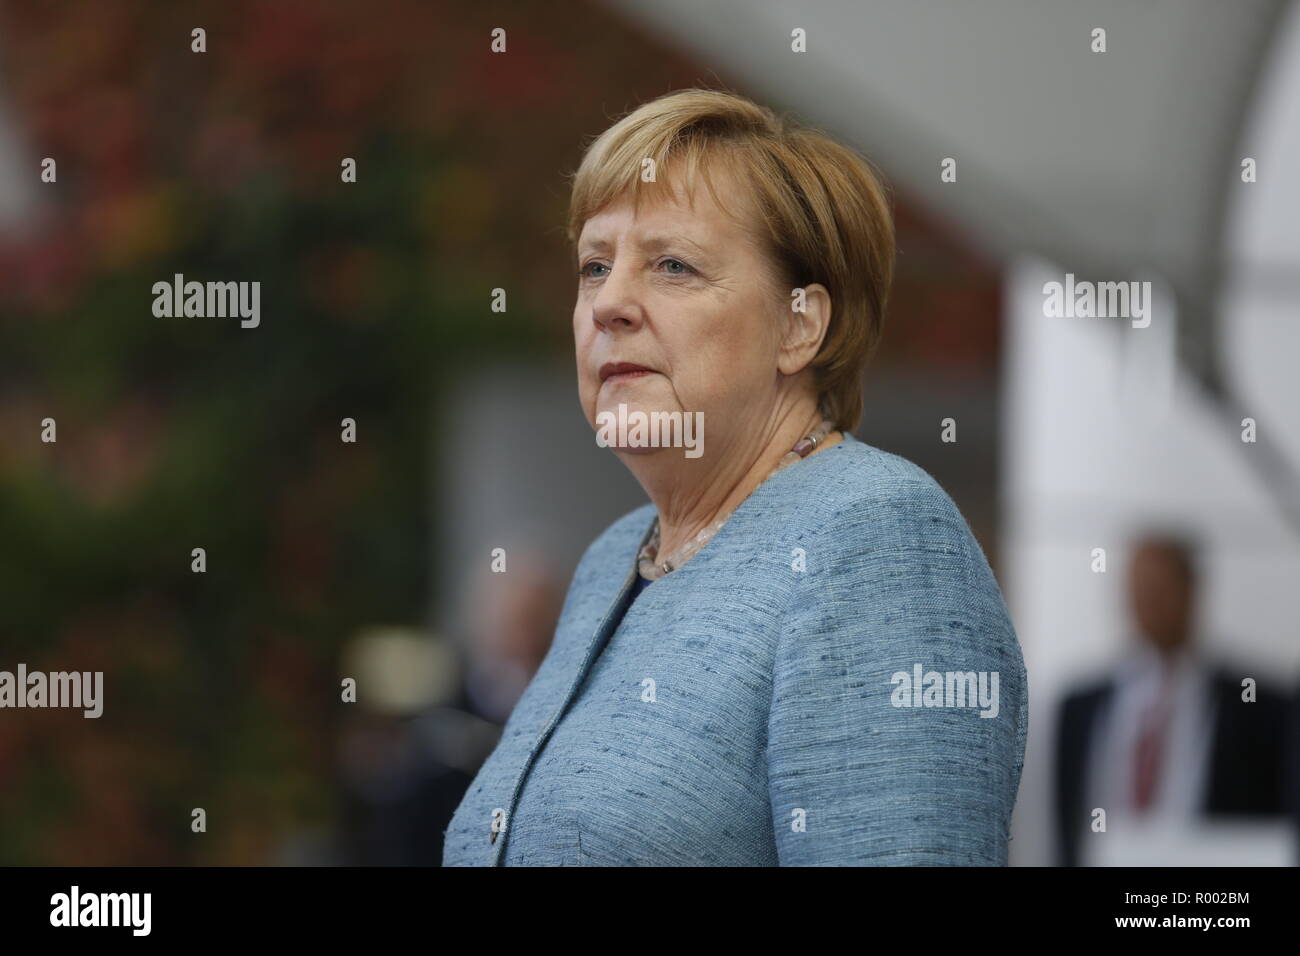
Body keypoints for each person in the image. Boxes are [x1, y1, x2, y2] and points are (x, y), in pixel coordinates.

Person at [443, 88, 1028, 866]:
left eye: (673, 265)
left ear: (799, 326)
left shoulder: (876, 539)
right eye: (594, 265)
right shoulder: (612, 561)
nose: (608, 302)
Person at [1054, 533, 1290, 866]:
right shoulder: (1080, 707)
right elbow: (1067, 824)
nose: (1150, 600)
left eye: (1161, 586)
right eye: (1139, 586)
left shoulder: (1263, 710)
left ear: (1192, 590)